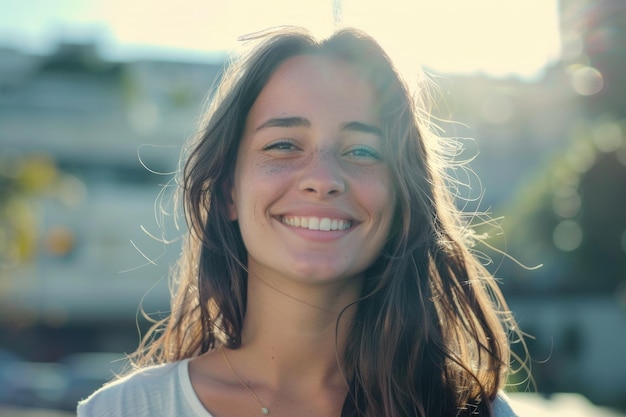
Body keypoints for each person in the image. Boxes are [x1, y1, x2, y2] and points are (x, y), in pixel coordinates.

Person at [77, 26, 523, 417]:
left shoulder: (471, 413)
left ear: (403, 200)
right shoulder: (121, 410)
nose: (324, 179)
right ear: (229, 191)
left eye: (362, 151)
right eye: (284, 145)